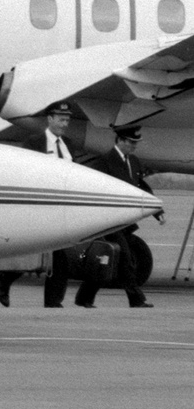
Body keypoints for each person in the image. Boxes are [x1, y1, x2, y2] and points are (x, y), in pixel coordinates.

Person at [0, 103, 74, 308]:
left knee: (60, 258)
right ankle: (5, 280)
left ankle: (53, 301)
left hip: (59, 210)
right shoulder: (35, 143)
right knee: (30, 254)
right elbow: (25, 174)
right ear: (50, 119)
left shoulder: (68, 146)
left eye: (67, 120)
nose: (64, 124)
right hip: (39, 208)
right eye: (61, 119)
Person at [74, 127, 159, 309]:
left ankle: (84, 297)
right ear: (120, 141)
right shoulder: (104, 162)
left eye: (136, 143)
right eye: (131, 142)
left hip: (125, 221)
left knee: (110, 259)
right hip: (108, 220)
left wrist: (157, 211)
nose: (134, 146)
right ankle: (136, 300)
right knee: (125, 258)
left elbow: (140, 187)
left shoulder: (134, 162)